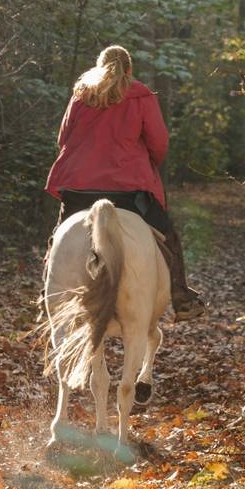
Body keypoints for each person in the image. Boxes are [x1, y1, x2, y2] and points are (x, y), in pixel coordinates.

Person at [45, 44, 204, 320]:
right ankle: (181, 298)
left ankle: (47, 294)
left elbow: (63, 138)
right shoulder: (140, 95)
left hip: (80, 188)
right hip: (127, 192)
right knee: (168, 236)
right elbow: (159, 143)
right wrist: (142, 160)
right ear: (129, 69)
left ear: (98, 66)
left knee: (58, 239)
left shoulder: (81, 95)